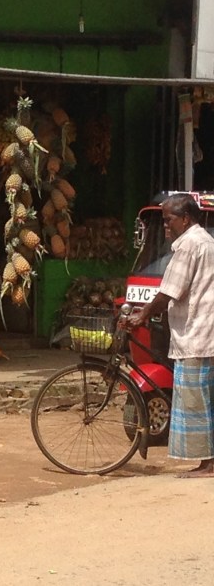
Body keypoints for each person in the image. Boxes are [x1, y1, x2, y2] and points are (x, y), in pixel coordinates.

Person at [126, 194, 214, 478]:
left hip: (197, 335)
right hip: (202, 331)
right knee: (204, 399)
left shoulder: (189, 245)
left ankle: (208, 464)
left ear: (185, 219)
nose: (166, 225)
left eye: (169, 220)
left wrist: (143, 314)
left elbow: (169, 291)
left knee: (196, 402)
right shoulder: (204, 241)